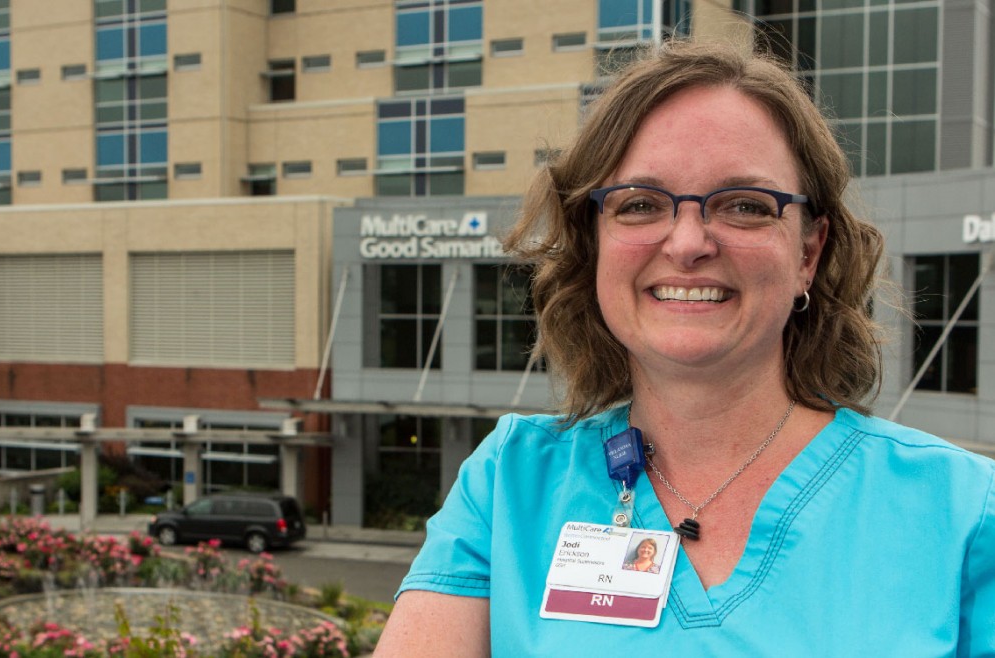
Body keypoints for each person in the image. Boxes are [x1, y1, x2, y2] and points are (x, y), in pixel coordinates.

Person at [375, 40, 995, 656]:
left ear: (808, 253)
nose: (688, 242)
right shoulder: (509, 485)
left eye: (746, 206)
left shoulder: (965, 511)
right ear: (595, 245)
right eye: (641, 204)